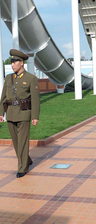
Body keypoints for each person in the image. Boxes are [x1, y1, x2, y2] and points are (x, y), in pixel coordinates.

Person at [0, 49, 40, 178]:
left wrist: (35, 116)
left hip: (24, 113)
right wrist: (1, 113)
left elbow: (35, 99)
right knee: (16, 142)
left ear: (21, 63)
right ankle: (27, 160)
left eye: (14, 62)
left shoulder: (30, 78)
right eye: (11, 62)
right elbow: (3, 97)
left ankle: (22, 167)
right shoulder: (8, 78)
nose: (12, 65)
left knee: (22, 141)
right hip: (10, 113)